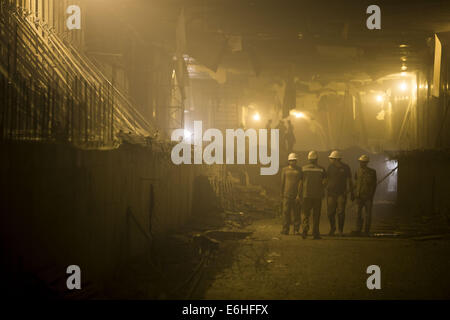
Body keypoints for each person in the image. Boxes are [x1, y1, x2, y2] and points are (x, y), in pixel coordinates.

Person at [298, 151, 327, 239]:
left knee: (305, 213)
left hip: (306, 195)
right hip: (317, 195)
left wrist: (299, 194)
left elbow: (300, 183)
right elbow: (325, 182)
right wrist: (321, 190)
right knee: (316, 214)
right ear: (317, 159)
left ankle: (305, 229)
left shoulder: (303, 169)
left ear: (309, 159)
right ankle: (315, 233)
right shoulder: (322, 169)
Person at [326, 150, 354, 236]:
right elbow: (327, 179)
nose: (330, 160)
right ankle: (333, 228)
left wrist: (351, 192)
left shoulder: (346, 168)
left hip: (341, 194)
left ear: (336, 159)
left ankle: (340, 230)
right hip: (331, 193)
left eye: (331, 158)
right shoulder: (330, 167)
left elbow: (349, 180)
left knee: (341, 212)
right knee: (330, 212)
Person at [354, 155, 377, 235]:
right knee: (358, 214)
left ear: (366, 163)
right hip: (359, 196)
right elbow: (356, 183)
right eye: (360, 162)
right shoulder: (357, 171)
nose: (361, 163)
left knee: (368, 215)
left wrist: (371, 195)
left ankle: (366, 230)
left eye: (363, 162)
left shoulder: (372, 172)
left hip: (368, 197)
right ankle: (358, 229)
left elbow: (374, 185)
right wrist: (354, 194)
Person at [280, 153, 302, 235]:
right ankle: (285, 229)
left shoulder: (300, 170)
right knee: (286, 213)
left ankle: (296, 230)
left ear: (296, 161)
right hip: (286, 195)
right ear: (289, 161)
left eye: (294, 160)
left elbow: (301, 182)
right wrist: (282, 193)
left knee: (296, 213)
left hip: (296, 195)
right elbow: (282, 182)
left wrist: (299, 195)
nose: (293, 162)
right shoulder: (284, 170)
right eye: (291, 160)